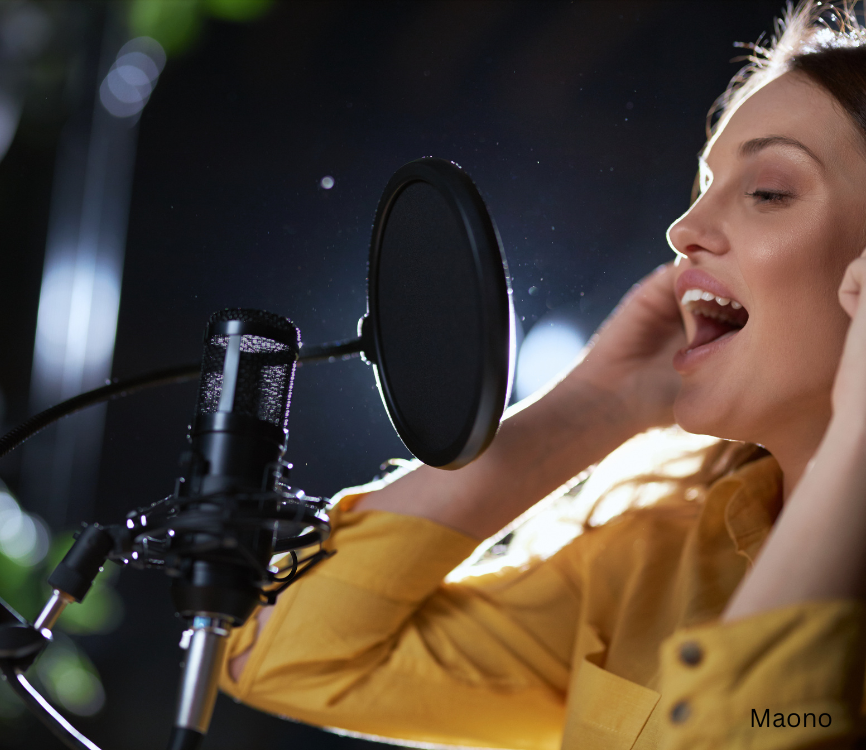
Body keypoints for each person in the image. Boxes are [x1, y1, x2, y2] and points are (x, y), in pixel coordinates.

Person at [222, 2, 866, 748]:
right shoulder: (656, 560)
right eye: (702, 186)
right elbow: (273, 652)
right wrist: (593, 408)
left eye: (767, 191)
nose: (682, 231)